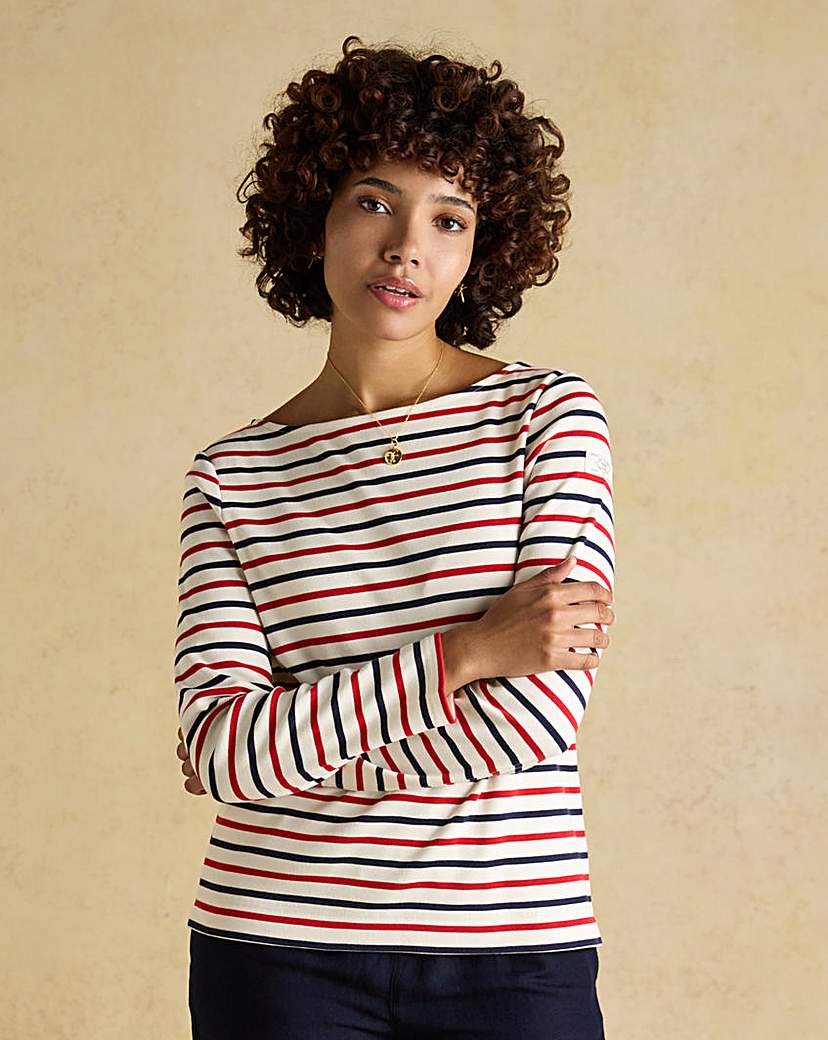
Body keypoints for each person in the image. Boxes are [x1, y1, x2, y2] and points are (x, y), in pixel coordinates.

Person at [175, 33, 616, 1039]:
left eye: (448, 217)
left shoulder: (548, 418)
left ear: (479, 249)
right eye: (375, 202)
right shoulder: (232, 476)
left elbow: (533, 722)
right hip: (271, 951)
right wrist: (469, 653)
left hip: (515, 946)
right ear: (315, 220)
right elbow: (222, 747)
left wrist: (285, 754)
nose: (408, 245)